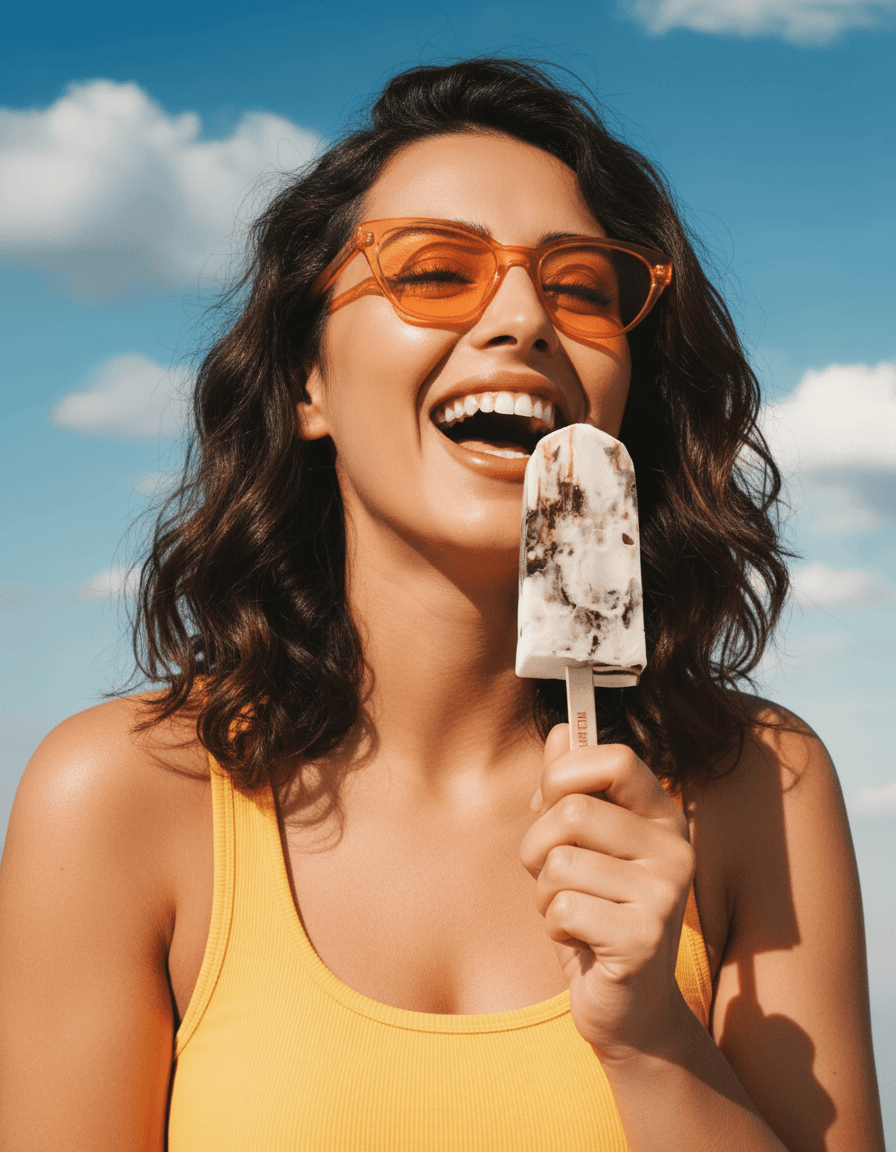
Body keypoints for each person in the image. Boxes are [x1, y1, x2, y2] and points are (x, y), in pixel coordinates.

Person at [0, 58, 885, 1151]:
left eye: (580, 289)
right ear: (304, 383)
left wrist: (651, 1034)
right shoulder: (120, 798)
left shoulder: (754, 781)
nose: (521, 317)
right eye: (431, 273)